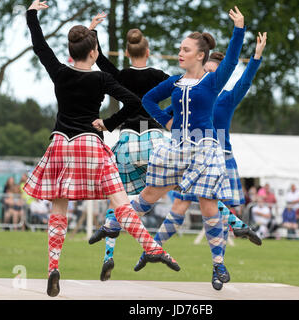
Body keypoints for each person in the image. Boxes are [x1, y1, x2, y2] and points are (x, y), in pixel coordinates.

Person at [23, 0, 179, 297]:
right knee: (121, 202)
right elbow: (134, 101)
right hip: (90, 143)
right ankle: (150, 246)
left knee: (59, 206)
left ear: (70, 53)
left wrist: (32, 13)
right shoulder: (101, 78)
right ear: (94, 53)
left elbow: (40, 45)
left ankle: (53, 266)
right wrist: (109, 123)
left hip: (60, 144)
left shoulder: (60, 72)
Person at [116, 6, 247, 291]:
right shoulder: (174, 81)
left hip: (207, 148)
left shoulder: (212, 81)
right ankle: (115, 223)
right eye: (180, 49)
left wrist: (239, 30)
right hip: (178, 149)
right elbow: (149, 100)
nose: (180, 53)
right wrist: (165, 120)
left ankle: (218, 265)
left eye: (186, 49)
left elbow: (234, 59)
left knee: (209, 204)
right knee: (149, 195)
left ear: (200, 55)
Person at [87, 14, 171, 281]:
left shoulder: (121, 75)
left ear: (126, 51)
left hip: (127, 140)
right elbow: (186, 86)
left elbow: (99, 59)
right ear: (148, 51)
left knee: (117, 198)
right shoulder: (159, 76)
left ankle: (108, 255)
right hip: (154, 139)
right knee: (182, 186)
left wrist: (92, 31)